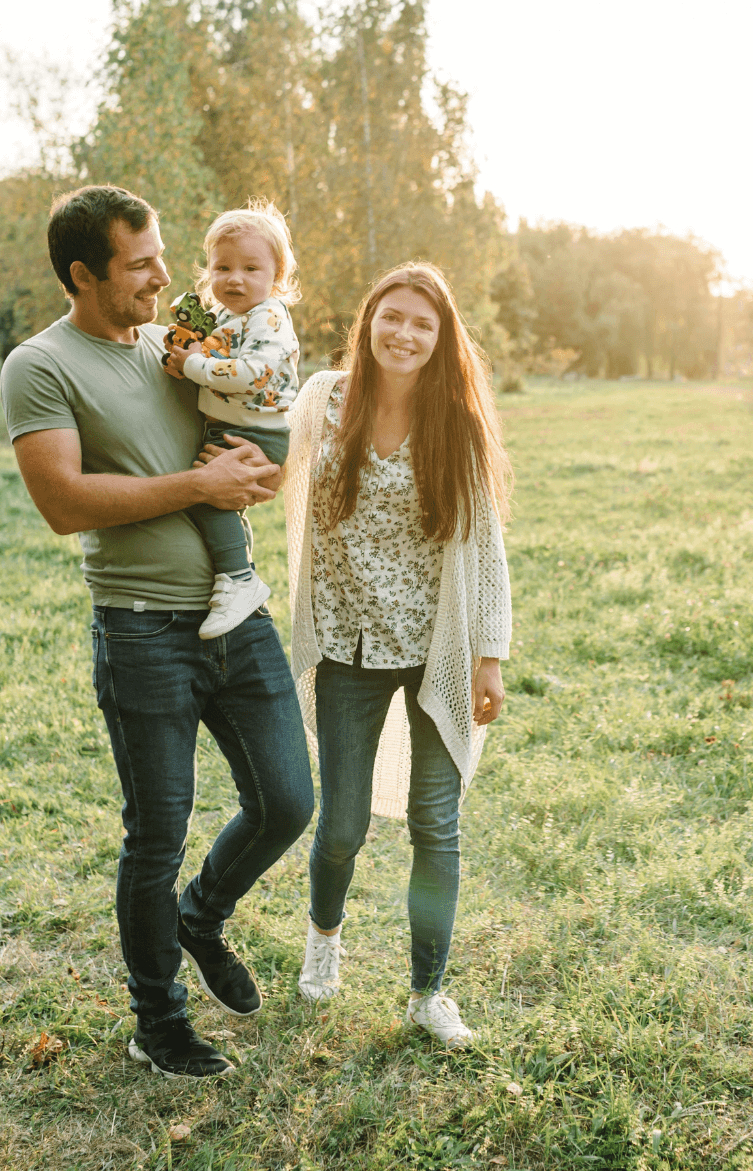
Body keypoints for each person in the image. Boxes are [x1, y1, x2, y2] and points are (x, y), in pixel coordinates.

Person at [0, 184, 313, 1078]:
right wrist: (198, 490)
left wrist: (258, 474)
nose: (165, 276)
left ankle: (200, 916)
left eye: (162, 255)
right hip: (142, 630)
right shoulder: (41, 364)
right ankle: (159, 1022)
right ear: (82, 275)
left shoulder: (180, 347)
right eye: (140, 265)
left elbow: (250, 438)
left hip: (237, 613)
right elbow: (62, 502)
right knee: (157, 835)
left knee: (290, 801)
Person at [282, 262, 513, 1048]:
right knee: (342, 823)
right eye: (393, 316)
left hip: (434, 650)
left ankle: (427, 992)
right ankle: (324, 940)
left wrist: (489, 654)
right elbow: (262, 450)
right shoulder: (324, 399)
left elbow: (486, 547)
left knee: (434, 825)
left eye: (423, 322)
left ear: (442, 338)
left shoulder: (458, 419)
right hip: (346, 644)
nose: (405, 334)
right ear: (368, 320)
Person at [163, 201, 302, 640]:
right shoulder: (227, 315)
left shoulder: (270, 316)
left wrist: (193, 366)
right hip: (230, 426)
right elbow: (208, 357)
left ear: (276, 275)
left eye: (250, 268)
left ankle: (240, 580)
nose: (235, 278)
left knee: (209, 497)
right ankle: (236, 574)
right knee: (220, 501)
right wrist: (182, 355)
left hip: (256, 431)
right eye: (222, 267)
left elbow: (248, 374)